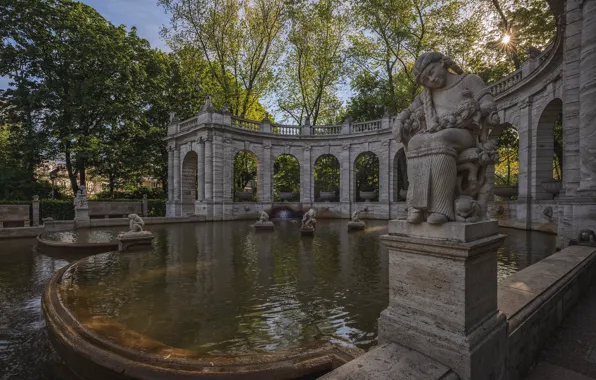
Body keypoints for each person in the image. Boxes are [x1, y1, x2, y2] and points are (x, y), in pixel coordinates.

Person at [393, 52, 499, 225]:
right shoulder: (428, 94)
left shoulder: (469, 80)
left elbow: (488, 103)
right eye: (426, 79)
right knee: (414, 143)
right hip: (437, 133)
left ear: (442, 63)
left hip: (464, 134)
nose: (431, 80)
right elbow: (409, 110)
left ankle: (441, 209)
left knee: (439, 139)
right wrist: (399, 120)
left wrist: (474, 112)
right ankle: (416, 207)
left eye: (432, 72)